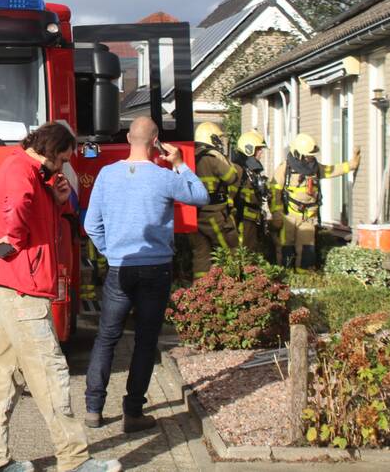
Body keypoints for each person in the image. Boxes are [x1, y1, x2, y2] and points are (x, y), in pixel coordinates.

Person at [0, 122, 122, 472]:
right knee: (50, 372)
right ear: (52, 150)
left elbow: (31, 217)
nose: (64, 166)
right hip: (22, 288)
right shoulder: (23, 173)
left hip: (5, 285)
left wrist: (57, 202)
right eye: (64, 159)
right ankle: (74, 461)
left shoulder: (23, 169)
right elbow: (15, 214)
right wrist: (13, 241)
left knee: (4, 375)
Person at [83, 117, 208, 432]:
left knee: (106, 337)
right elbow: (200, 196)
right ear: (156, 143)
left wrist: (110, 251)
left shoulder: (106, 175)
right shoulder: (164, 177)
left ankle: (93, 409)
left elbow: (90, 225)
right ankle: (133, 412)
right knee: (145, 339)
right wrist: (180, 164)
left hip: (120, 266)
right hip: (156, 268)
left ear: (128, 137)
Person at [270, 133, 360, 269]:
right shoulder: (285, 168)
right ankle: (285, 278)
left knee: (307, 250)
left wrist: (351, 165)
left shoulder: (315, 168)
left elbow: (332, 170)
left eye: (312, 155)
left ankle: (304, 278)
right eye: (308, 155)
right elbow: (274, 191)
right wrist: (277, 214)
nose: (310, 158)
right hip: (289, 215)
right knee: (285, 248)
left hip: (308, 217)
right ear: (298, 154)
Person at [188, 121, 239, 276]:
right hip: (213, 214)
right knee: (226, 250)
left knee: (201, 254)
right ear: (212, 139)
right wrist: (224, 157)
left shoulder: (190, 155)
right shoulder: (213, 157)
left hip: (194, 214)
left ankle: (200, 290)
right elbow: (231, 177)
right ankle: (232, 285)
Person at [228, 130, 270, 258]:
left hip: (252, 220)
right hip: (242, 220)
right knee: (242, 253)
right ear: (249, 149)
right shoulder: (238, 169)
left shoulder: (252, 170)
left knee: (251, 252)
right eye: (258, 149)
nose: (261, 153)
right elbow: (230, 197)